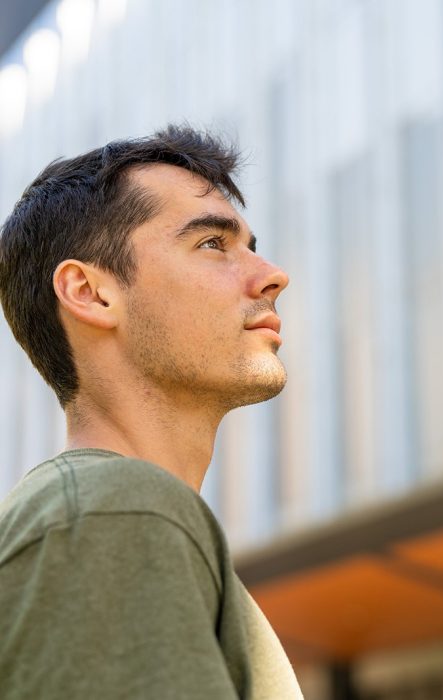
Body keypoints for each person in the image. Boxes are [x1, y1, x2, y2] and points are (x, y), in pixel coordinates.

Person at [0, 125, 304, 699]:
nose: (272, 276)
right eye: (212, 244)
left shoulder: (111, 514)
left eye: (252, 247)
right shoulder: (113, 514)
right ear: (90, 293)